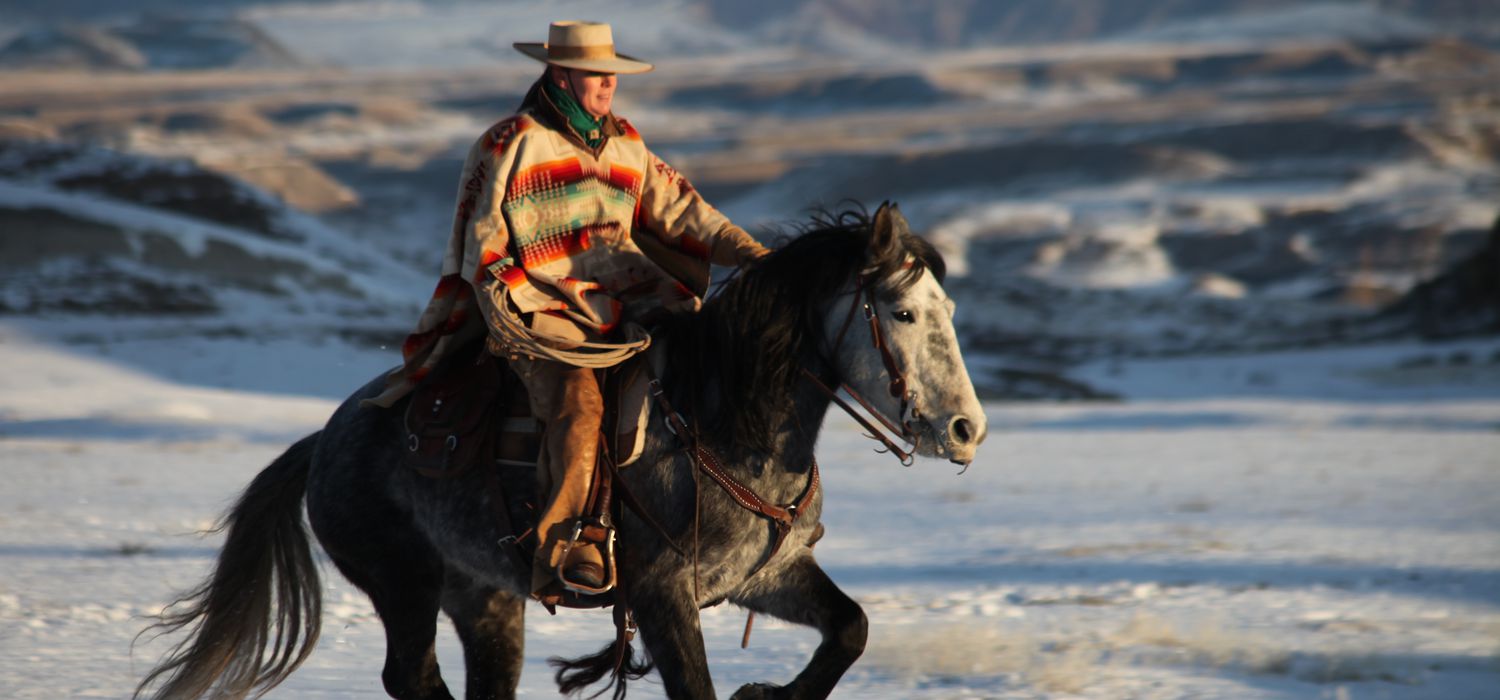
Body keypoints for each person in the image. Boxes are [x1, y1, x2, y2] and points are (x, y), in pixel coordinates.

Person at [365, 20, 766, 597]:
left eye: (612, 76)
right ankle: (571, 543)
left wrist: (756, 256)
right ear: (560, 73)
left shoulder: (627, 141)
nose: (608, 86)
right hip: (543, 310)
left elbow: (685, 211)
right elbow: (483, 236)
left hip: (633, 301)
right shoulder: (510, 141)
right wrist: (512, 299)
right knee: (579, 412)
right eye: (597, 75)